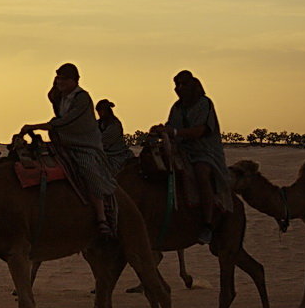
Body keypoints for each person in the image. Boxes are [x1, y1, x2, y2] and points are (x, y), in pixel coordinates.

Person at [20, 63, 116, 235]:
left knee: (88, 170)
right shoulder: (61, 98)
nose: (60, 82)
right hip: (62, 142)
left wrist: (38, 126)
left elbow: (67, 121)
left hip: (83, 145)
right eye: (58, 78)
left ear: (75, 80)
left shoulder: (82, 98)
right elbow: (53, 99)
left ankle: (102, 216)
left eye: (64, 79)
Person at [152, 70, 231, 245]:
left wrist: (174, 132)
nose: (179, 88)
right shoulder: (177, 107)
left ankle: (208, 224)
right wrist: (161, 130)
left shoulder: (204, 104)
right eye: (176, 85)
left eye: (183, 84)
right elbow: (171, 125)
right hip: (181, 150)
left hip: (204, 151)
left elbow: (201, 130)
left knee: (201, 173)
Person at [96, 99, 134, 177]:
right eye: (99, 111)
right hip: (102, 153)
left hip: (116, 154)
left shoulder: (115, 125)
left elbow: (103, 141)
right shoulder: (98, 123)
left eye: (101, 111)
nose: (100, 113)